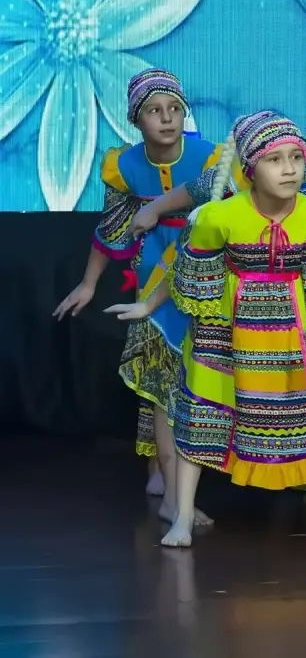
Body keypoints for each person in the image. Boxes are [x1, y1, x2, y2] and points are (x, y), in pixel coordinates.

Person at [160, 110, 306, 547]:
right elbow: (197, 281)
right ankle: (183, 516)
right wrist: (212, 337)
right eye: (274, 160)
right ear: (250, 168)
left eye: (296, 158)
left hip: (294, 329)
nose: (289, 169)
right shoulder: (218, 217)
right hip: (227, 329)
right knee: (205, 416)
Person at [53, 69, 219, 511]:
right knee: (161, 376)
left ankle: (179, 479)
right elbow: (112, 229)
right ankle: (168, 485)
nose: (166, 118)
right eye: (154, 111)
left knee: (197, 373)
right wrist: (89, 283)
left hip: (205, 272)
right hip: (154, 272)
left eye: (175, 109)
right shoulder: (125, 166)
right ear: (135, 119)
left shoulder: (209, 158)